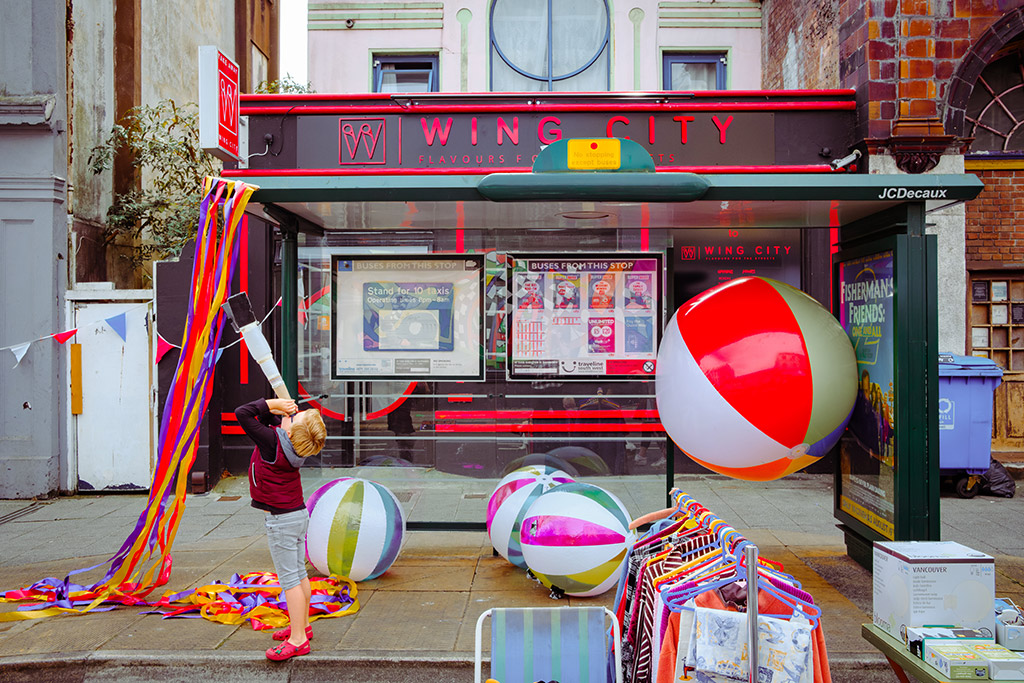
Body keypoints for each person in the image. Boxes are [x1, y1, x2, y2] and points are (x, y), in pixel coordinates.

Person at [235, 396, 327, 661]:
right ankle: (303, 626)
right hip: (297, 515)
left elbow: (243, 412)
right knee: (299, 575)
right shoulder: (289, 444)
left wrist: (271, 403)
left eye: (295, 416)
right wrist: (278, 413)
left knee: (290, 582)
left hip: (281, 522)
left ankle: (297, 639)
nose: (291, 413)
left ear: (290, 431)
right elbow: (264, 422)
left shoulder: (274, 441)